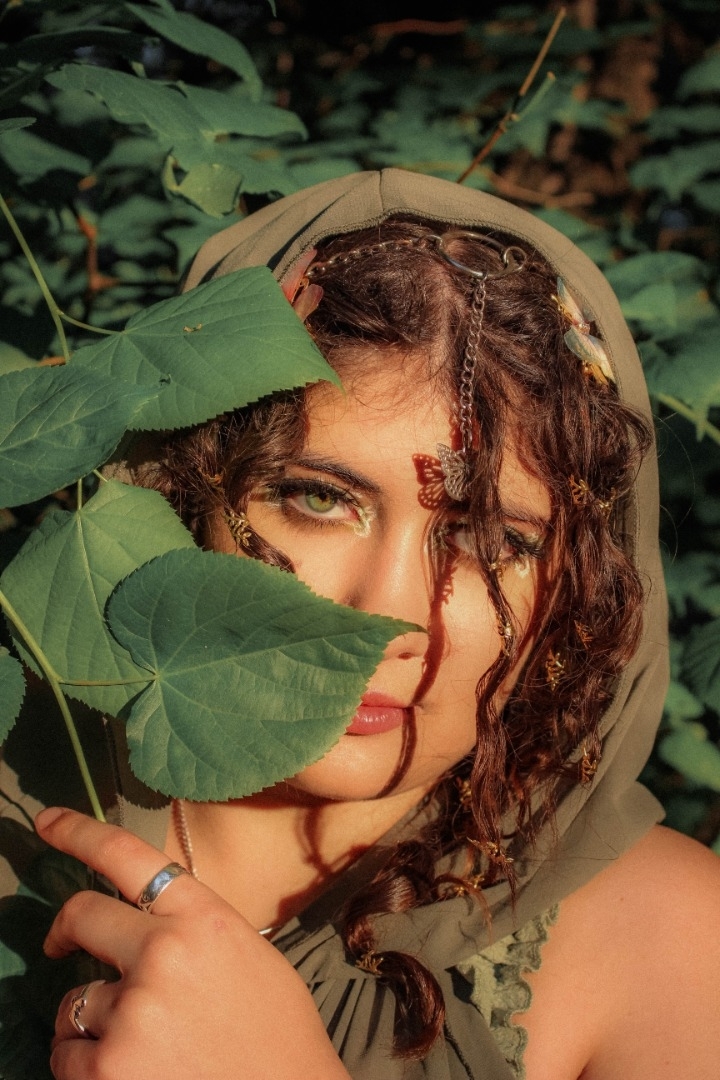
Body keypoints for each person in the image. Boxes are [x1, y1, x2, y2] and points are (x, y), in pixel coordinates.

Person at [1, 169, 719, 1080]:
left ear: (576, 588)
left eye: (490, 540)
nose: (387, 615)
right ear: (182, 490)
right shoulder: (16, 819)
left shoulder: (665, 943)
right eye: (317, 499)